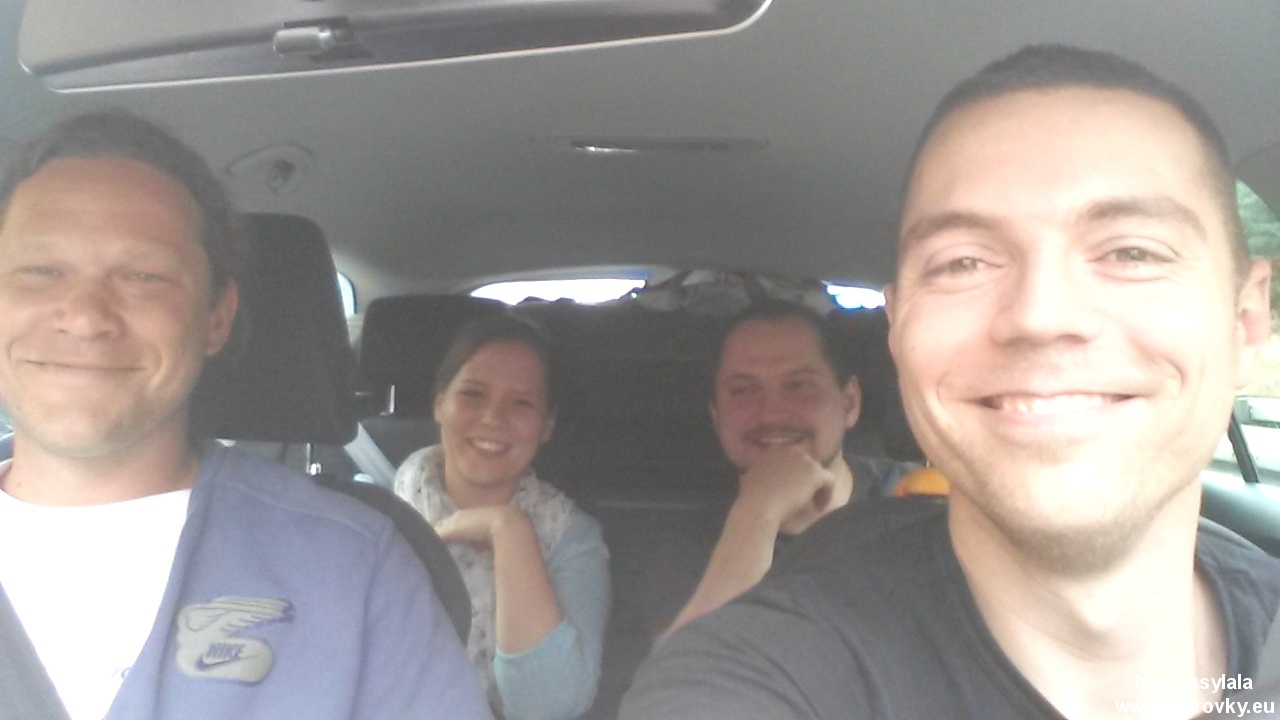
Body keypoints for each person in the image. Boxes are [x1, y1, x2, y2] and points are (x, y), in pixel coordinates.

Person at [619, 44, 1280, 720]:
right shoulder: (760, 667)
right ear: (898, 330)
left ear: (1246, 321)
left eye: (1133, 251)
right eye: (963, 262)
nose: (1040, 315)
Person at [0, 111, 489, 720]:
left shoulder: (353, 569)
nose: (84, 315)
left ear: (217, 318)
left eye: (143, 276)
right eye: (41, 271)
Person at [395, 314, 610, 720]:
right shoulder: (375, 517)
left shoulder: (571, 536)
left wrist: (509, 530)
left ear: (547, 424)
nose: (493, 417)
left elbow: (547, 709)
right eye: (473, 395)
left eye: (521, 403)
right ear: (439, 404)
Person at [657, 300, 904, 637]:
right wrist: (761, 510)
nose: (771, 412)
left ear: (848, 403)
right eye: (742, 390)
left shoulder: (921, 501)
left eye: (799, 385)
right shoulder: (691, 548)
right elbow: (687, 669)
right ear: (717, 416)